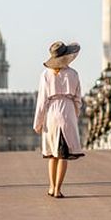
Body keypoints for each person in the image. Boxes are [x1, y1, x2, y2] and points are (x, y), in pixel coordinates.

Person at [33, 41, 85, 199]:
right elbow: (78, 99)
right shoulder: (73, 74)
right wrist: (74, 114)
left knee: (53, 154)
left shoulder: (45, 75)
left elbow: (42, 100)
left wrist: (38, 122)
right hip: (67, 110)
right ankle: (57, 189)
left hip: (51, 112)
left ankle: (50, 186)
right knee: (63, 154)